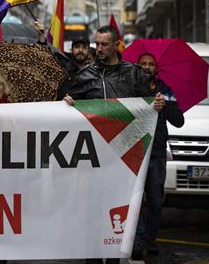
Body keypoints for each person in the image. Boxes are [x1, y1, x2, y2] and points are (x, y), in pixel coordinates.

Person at [63, 26, 165, 264]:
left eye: (104, 44)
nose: (98, 49)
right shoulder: (85, 74)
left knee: (121, 206)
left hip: (124, 152)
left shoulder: (134, 73)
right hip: (94, 153)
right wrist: (67, 101)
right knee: (94, 206)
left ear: (117, 44)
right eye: (96, 44)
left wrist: (157, 104)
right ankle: (92, 254)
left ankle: (117, 252)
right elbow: (67, 104)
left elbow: (148, 104)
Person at [132, 53, 184, 260]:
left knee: (154, 200)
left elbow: (179, 121)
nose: (147, 67)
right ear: (137, 66)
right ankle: (137, 239)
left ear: (156, 68)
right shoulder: (131, 88)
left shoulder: (166, 90)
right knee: (136, 200)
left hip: (156, 153)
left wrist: (166, 105)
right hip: (135, 152)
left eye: (151, 64)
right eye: (143, 63)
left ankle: (150, 239)